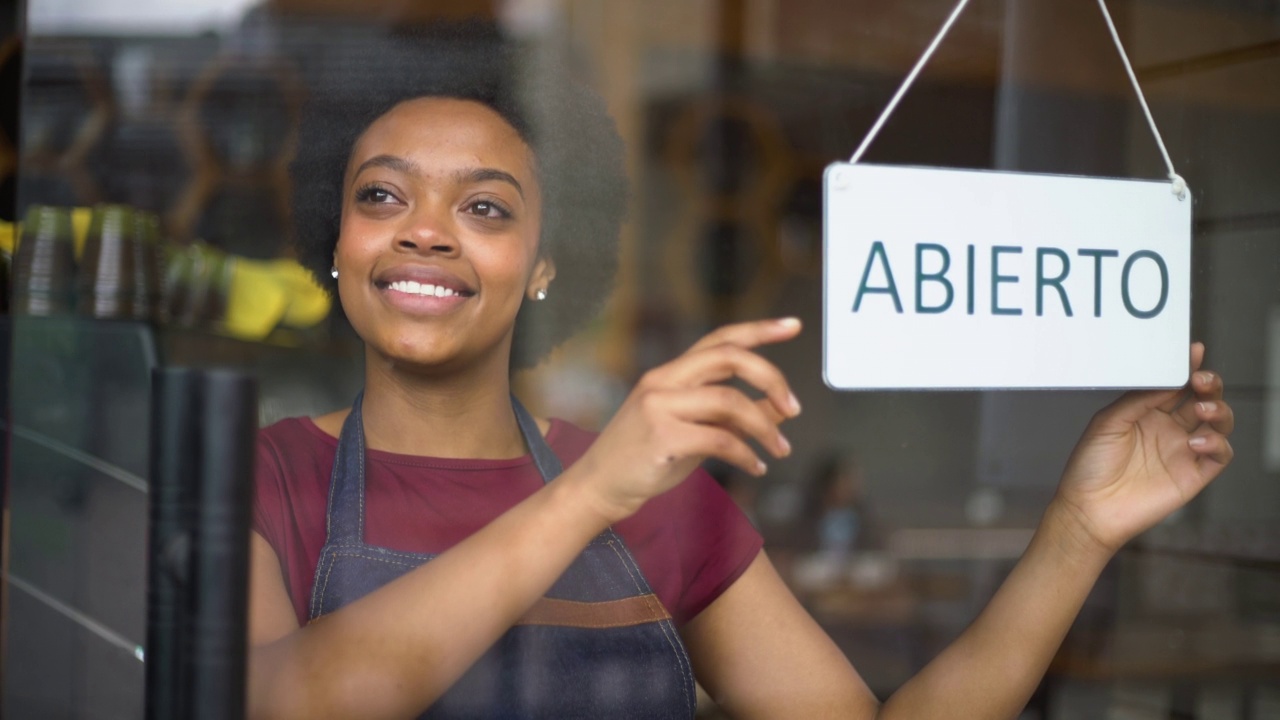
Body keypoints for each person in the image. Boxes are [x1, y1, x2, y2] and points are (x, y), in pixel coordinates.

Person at [247, 27, 1236, 720]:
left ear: (549, 263)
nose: (425, 230)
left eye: (487, 208)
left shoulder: (654, 495)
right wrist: (592, 492)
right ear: (336, 242)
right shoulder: (259, 478)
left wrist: (1076, 531)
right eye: (382, 195)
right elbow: (289, 704)